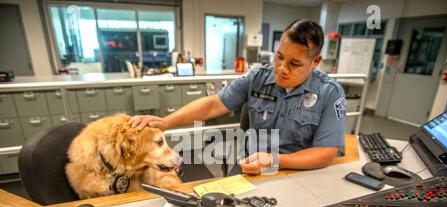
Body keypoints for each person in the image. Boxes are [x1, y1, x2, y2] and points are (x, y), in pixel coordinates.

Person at [130, 19, 346, 176]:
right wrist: (166, 122)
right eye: (279, 57)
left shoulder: (330, 92)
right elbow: (213, 105)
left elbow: (325, 153)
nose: (281, 68)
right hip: (249, 168)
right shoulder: (257, 78)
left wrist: (274, 161)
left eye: (294, 64)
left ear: (315, 61)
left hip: (297, 172)